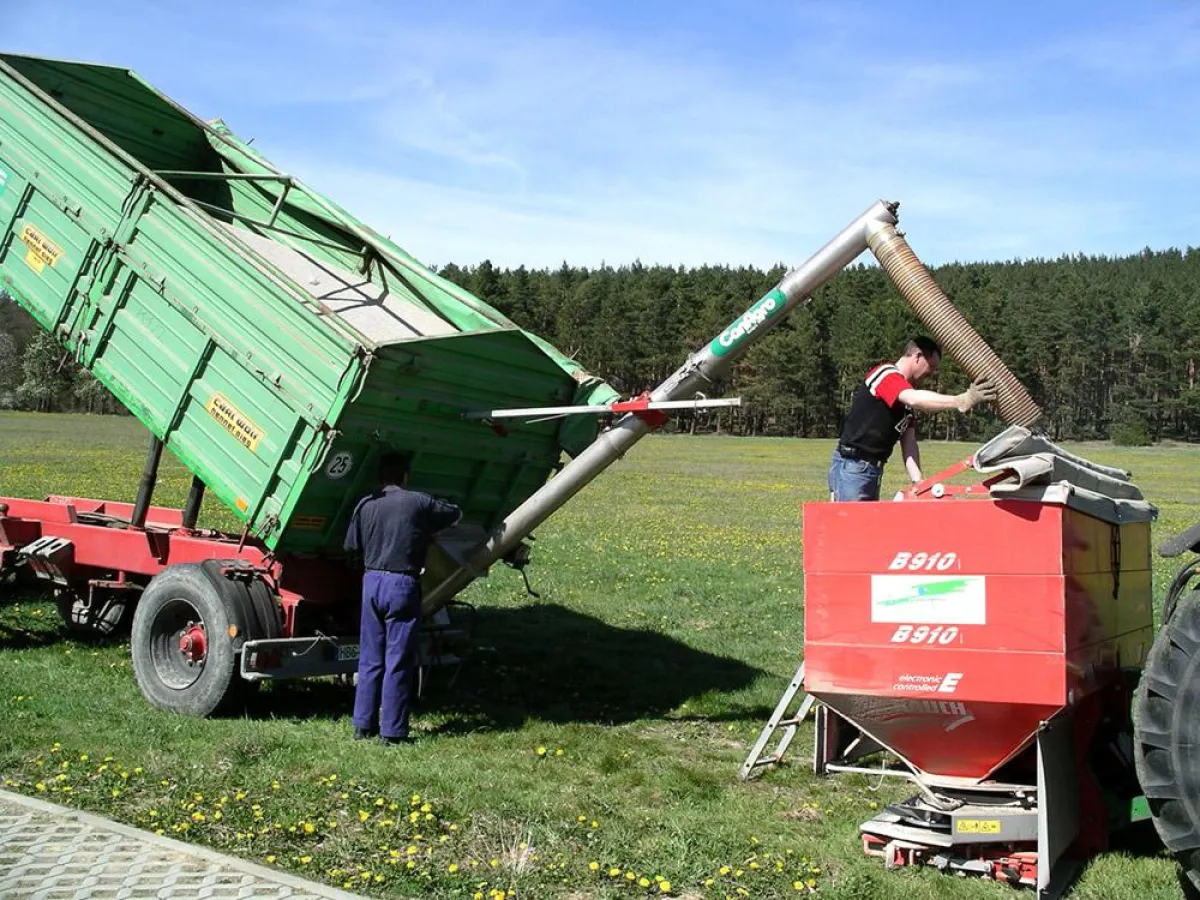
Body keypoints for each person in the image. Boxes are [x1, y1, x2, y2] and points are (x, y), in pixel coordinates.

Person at [344, 452, 461, 744]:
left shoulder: (365, 504)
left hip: (371, 581)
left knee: (370, 657)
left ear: (380, 477)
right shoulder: (417, 502)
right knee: (398, 659)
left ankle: (362, 726)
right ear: (405, 476)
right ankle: (393, 732)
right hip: (401, 583)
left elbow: (350, 545)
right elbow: (455, 514)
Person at [828, 337, 998, 501]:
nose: (931, 373)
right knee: (848, 527)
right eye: (930, 366)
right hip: (853, 467)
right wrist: (960, 401)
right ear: (917, 356)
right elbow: (914, 398)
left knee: (864, 527)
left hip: (871, 469)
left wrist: (918, 482)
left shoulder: (905, 405)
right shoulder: (886, 374)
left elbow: (908, 442)